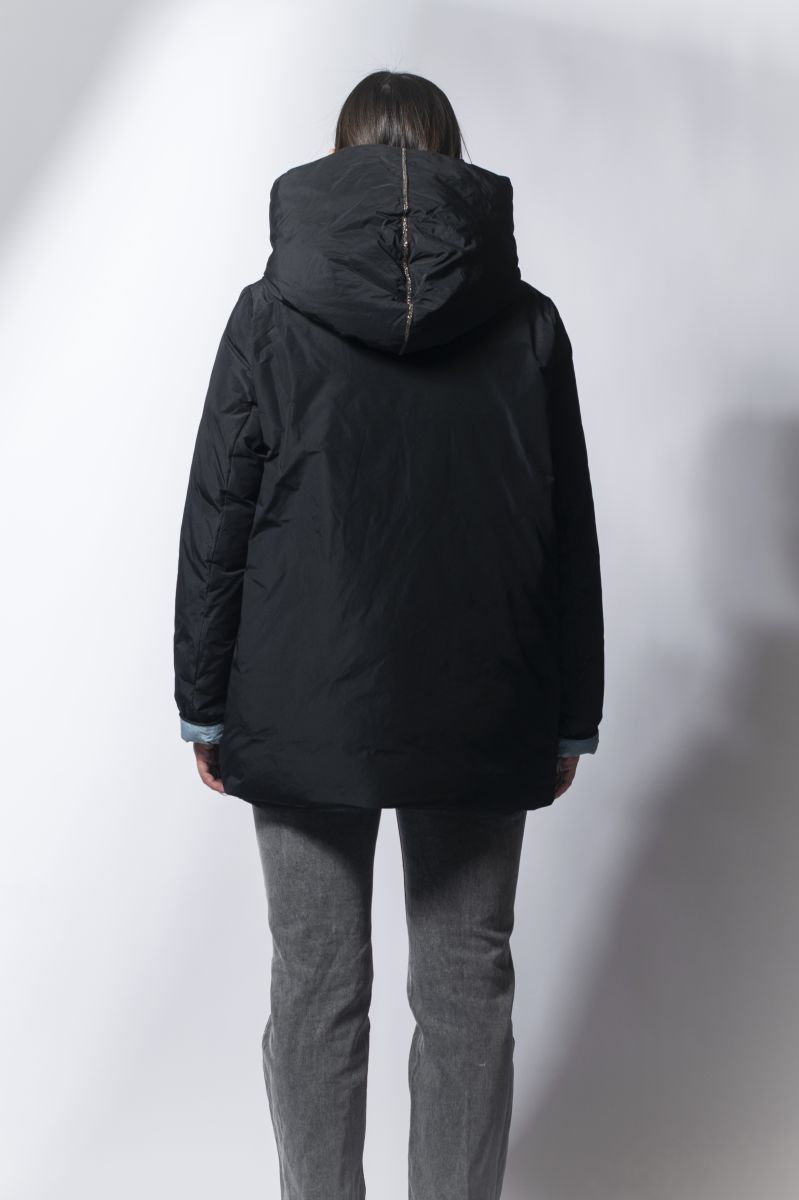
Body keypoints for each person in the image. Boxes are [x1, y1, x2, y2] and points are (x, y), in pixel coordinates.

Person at [173, 69, 603, 1200]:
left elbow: (219, 518)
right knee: (466, 984)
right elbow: (566, 527)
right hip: (485, 694)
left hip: (300, 694)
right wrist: (570, 712)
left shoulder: (270, 312)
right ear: (452, 159)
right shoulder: (526, 321)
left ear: (339, 156)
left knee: (316, 985)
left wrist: (204, 701)